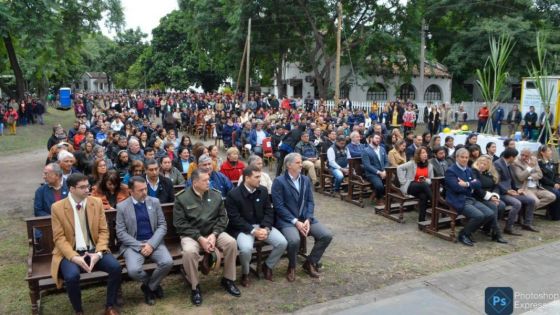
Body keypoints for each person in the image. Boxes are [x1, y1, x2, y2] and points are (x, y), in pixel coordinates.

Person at [50, 173, 121, 315]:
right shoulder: (57, 207)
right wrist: (74, 257)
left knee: (116, 267)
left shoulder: (96, 202)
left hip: (94, 250)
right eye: (82, 187)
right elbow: (59, 238)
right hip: (70, 252)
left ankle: (110, 306)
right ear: (71, 189)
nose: (87, 190)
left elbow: (103, 231)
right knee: (71, 276)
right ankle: (78, 310)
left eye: (87, 186)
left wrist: (99, 253)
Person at [174, 169, 240, 306]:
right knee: (189, 252)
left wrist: (214, 234)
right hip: (192, 235)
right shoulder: (182, 198)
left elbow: (223, 217)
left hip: (213, 233)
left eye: (208, 179)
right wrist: (200, 238)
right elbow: (180, 224)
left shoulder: (215, 195)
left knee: (231, 242)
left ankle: (228, 279)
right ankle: (195, 286)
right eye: (205, 180)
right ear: (195, 182)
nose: (208, 182)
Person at [272, 153, 333, 282]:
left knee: (326, 235)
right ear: (289, 165)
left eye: (301, 162)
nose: (301, 164)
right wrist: (295, 222)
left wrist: (308, 219)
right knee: (294, 240)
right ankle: (292, 266)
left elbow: (310, 201)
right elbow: (279, 206)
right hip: (287, 220)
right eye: (298, 162)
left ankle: (310, 263)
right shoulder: (279, 181)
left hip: (305, 218)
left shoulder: (305, 180)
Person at [225, 166, 287, 287]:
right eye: (257, 177)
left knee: (282, 242)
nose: (260, 179)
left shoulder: (263, 190)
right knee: (246, 249)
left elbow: (269, 211)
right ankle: (245, 273)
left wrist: (266, 228)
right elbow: (234, 219)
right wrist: (253, 231)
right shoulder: (233, 195)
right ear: (247, 178)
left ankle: (268, 266)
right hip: (244, 229)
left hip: (262, 225)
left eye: (260, 176)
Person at [116, 176, 173, 306]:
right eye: (140, 190)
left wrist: (151, 244)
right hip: (133, 245)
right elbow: (120, 232)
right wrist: (140, 245)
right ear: (131, 191)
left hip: (154, 242)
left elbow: (162, 225)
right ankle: (151, 284)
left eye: (145, 189)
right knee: (133, 271)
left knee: (167, 262)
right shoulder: (122, 207)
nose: (144, 192)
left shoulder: (154, 202)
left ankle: (148, 288)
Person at [444, 148, 494, 246]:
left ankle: (467, 231)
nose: (465, 159)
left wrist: (466, 184)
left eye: (466, 157)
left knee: (490, 213)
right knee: (479, 215)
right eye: (462, 157)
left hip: (470, 198)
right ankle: (463, 235)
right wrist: (471, 186)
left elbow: (479, 184)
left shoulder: (469, 170)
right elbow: (456, 188)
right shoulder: (451, 171)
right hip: (457, 199)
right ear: (456, 158)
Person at [510, 148, 556, 231]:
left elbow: (540, 174)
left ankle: (524, 212)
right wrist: (530, 168)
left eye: (526, 155)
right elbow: (520, 177)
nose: (523, 157)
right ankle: (527, 218)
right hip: (525, 188)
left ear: (530, 155)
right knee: (536, 201)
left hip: (536, 187)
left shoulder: (534, 159)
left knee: (552, 196)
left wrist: (530, 176)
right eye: (522, 155)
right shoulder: (516, 162)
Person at [494, 148, 536, 236]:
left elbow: (511, 181)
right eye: (515, 157)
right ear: (511, 157)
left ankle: (527, 224)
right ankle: (508, 228)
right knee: (517, 203)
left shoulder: (509, 164)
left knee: (531, 200)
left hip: (510, 191)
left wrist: (517, 190)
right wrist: (507, 191)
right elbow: (496, 182)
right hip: (501, 193)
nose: (516, 158)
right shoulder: (497, 164)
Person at [471, 155, 507, 243]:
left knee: (502, 205)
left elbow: (495, 186)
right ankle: (496, 234)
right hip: (477, 197)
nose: (482, 165)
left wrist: (494, 196)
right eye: (481, 163)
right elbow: (477, 189)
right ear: (477, 163)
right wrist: (490, 197)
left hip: (489, 196)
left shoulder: (489, 173)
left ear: (488, 166)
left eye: (485, 164)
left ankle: (487, 228)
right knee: (494, 206)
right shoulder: (474, 172)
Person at [397, 147, 433, 221]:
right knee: (424, 185)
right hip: (411, 185)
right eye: (423, 153)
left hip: (422, 187)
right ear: (418, 155)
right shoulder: (412, 163)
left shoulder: (430, 165)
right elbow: (399, 168)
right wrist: (402, 181)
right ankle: (435, 202)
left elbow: (431, 179)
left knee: (424, 196)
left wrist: (425, 179)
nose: (425, 154)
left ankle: (421, 220)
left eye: (426, 152)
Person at [362, 133, 388, 206]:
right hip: (372, 173)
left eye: (379, 139)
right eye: (376, 138)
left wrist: (385, 171)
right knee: (379, 186)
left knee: (394, 181)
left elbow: (386, 161)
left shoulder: (382, 149)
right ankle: (379, 198)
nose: (378, 140)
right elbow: (367, 165)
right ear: (371, 139)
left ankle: (385, 196)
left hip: (384, 172)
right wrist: (379, 172)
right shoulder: (366, 151)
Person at [537, 145, 560, 220]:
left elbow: (556, 174)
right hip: (544, 185)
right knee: (557, 193)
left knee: (557, 190)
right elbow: (542, 178)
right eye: (549, 151)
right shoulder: (540, 163)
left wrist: (557, 183)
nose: (551, 152)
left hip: (554, 184)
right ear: (542, 153)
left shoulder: (552, 162)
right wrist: (553, 184)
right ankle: (554, 215)